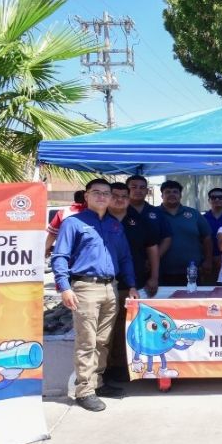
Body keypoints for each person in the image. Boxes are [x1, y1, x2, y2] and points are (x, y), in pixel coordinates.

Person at [51, 179, 139, 412]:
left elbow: (125, 257)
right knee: (87, 341)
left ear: (111, 198)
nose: (102, 197)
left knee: (103, 340)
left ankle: (97, 383)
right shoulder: (74, 223)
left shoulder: (114, 225)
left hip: (111, 287)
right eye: (96, 193)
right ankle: (84, 390)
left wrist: (131, 284)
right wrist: (64, 287)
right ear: (86, 196)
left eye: (106, 193)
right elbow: (60, 256)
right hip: (85, 287)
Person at [104, 183, 160, 382]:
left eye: (123, 196)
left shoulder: (140, 220)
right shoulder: (99, 219)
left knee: (125, 329)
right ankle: (104, 369)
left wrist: (154, 276)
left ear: (129, 199)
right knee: (104, 330)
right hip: (103, 284)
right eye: (115, 195)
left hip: (134, 285)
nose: (119, 199)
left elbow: (152, 249)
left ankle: (120, 368)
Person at [158, 180, 214, 286]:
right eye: (167, 192)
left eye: (175, 192)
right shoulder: (154, 214)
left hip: (192, 272)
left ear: (180, 195)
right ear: (162, 195)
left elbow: (207, 238)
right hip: (161, 271)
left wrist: (208, 260)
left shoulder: (193, 214)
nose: (171, 194)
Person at [126, 175, 172, 259]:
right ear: (126, 190)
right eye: (134, 187)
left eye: (142, 187)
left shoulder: (157, 212)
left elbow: (167, 238)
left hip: (153, 265)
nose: (138, 190)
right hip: (126, 264)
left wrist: (154, 259)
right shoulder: (120, 211)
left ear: (147, 191)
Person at [45, 190, 86, 257]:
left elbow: (52, 234)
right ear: (87, 198)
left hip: (65, 253)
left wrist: (46, 248)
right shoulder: (93, 213)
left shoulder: (63, 212)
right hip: (85, 254)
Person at [203, 187, 222, 284]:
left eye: (220, 197)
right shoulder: (202, 218)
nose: (217, 200)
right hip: (207, 261)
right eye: (213, 197)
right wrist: (208, 259)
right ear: (209, 200)